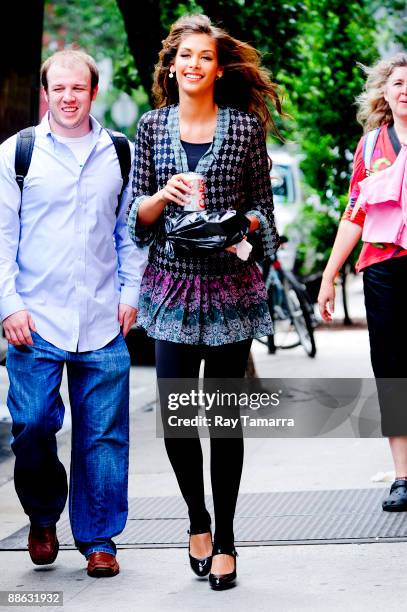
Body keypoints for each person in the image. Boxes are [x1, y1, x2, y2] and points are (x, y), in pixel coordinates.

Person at [128, 14, 281, 590]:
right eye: (184, 56)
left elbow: (262, 209)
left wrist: (244, 227)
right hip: (169, 285)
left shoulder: (242, 128)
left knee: (222, 421)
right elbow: (136, 218)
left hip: (227, 289)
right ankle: (197, 518)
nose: (192, 64)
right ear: (172, 65)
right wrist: (161, 197)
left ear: (219, 70)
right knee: (176, 421)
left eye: (204, 57)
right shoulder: (150, 126)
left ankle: (227, 541)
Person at [0, 50, 148, 577]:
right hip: (33, 321)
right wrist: (9, 305)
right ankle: (43, 514)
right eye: (58, 89)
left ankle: (99, 538)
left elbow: (130, 234)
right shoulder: (18, 154)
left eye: (77, 89)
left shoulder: (121, 154)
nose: (68, 97)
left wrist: (131, 293)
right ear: (46, 92)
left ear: (93, 91)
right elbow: (1, 236)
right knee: (33, 425)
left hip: (104, 318)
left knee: (104, 436)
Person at [318, 52, 407, 511]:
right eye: (397, 83)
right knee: (392, 370)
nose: (404, 90)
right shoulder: (372, 145)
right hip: (384, 269)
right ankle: (402, 475)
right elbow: (356, 211)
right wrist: (330, 275)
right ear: (385, 92)